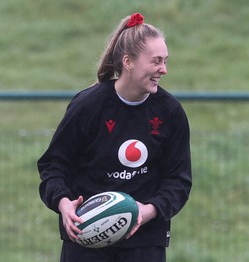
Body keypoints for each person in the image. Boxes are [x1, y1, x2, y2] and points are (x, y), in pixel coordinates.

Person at [38, 12, 192, 262]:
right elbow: (53, 165)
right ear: (128, 62)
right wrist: (64, 203)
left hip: (144, 244)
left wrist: (147, 211)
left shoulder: (170, 112)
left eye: (165, 61)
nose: (163, 70)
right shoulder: (88, 106)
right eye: (156, 61)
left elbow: (178, 181)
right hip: (85, 240)